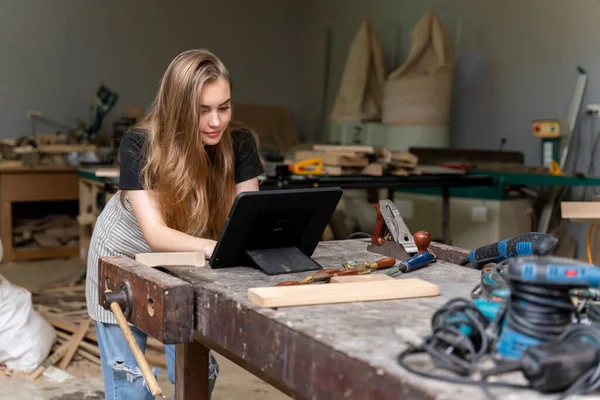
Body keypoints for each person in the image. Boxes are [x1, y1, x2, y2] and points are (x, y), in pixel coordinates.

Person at [85, 48, 265, 399]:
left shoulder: (238, 145)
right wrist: (222, 247)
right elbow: (155, 235)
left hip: (187, 259)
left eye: (224, 107)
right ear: (178, 109)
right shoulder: (140, 145)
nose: (216, 122)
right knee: (132, 387)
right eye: (203, 111)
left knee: (197, 378)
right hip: (122, 257)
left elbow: (247, 219)